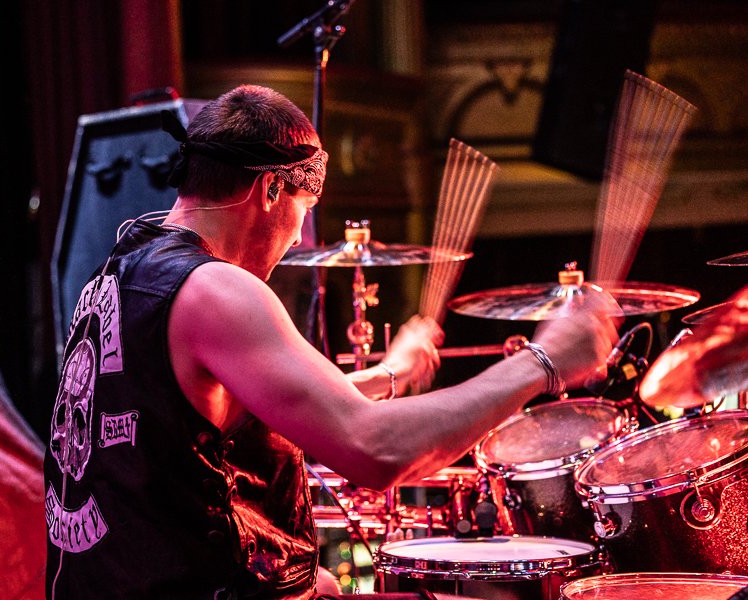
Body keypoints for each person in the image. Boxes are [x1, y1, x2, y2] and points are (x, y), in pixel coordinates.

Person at [43, 85, 618, 599]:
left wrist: (389, 375)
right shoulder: (214, 289)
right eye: (305, 211)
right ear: (271, 188)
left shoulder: (120, 273)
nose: (298, 239)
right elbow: (375, 451)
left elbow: (217, 419)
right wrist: (544, 362)